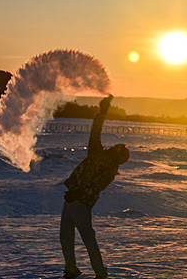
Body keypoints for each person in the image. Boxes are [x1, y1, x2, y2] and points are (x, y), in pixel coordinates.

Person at [60, 94, 130, 279]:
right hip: (71, 199)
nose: (114, 146)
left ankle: (100, 273)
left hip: (80, 203)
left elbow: (94, 187)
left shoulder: (108, 168)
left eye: (117, 148)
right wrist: (101, 113)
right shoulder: (97, 152)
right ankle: (71, 269)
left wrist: (77, 194)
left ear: (118, 156)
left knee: (88, 240)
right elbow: (95, 131)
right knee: (65, 236)